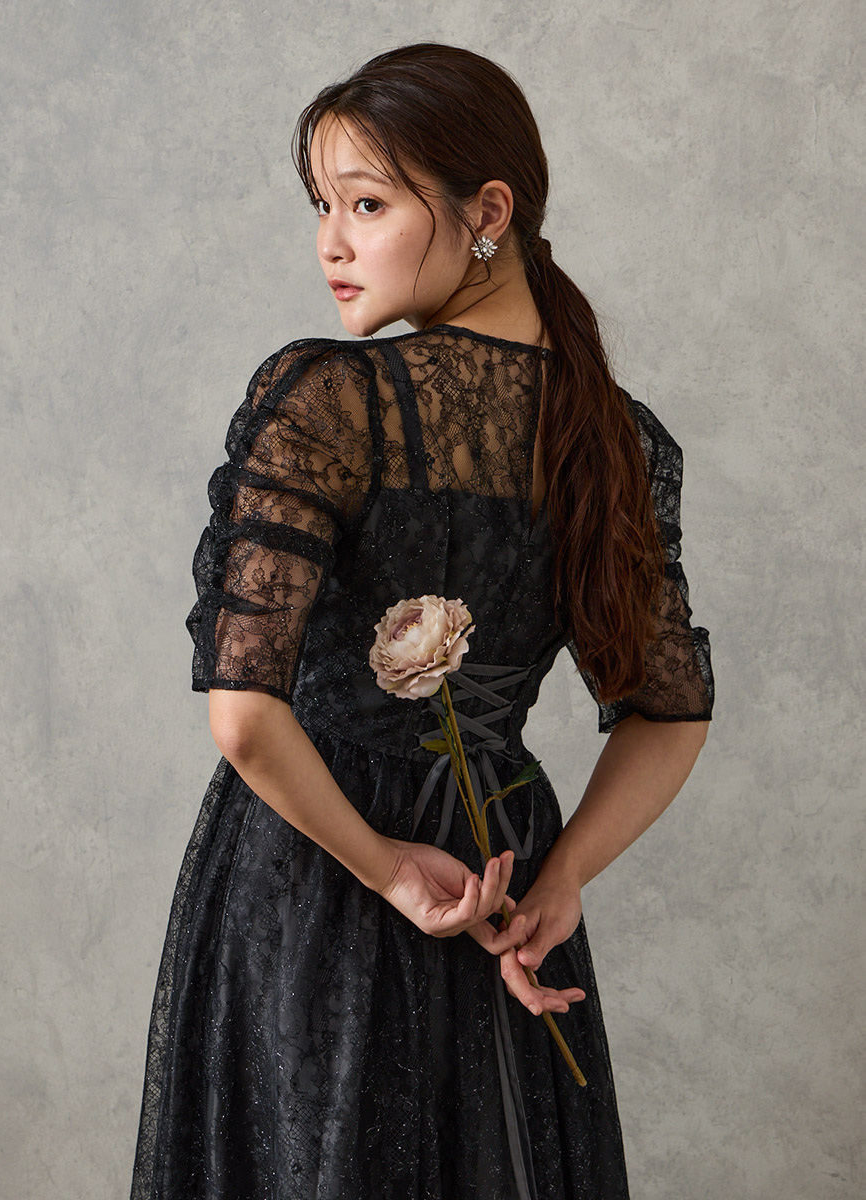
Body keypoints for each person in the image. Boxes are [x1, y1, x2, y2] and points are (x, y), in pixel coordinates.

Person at [130, 41, 714, 1200]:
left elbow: (245, 719)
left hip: (319, 877)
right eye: (322, 205)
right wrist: (561, 881)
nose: (330, 242)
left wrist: (390, 868)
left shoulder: (329, 400)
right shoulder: (613, 435)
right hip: (504, 879)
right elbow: (670, 711)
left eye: (367, 203)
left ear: (487, 212)